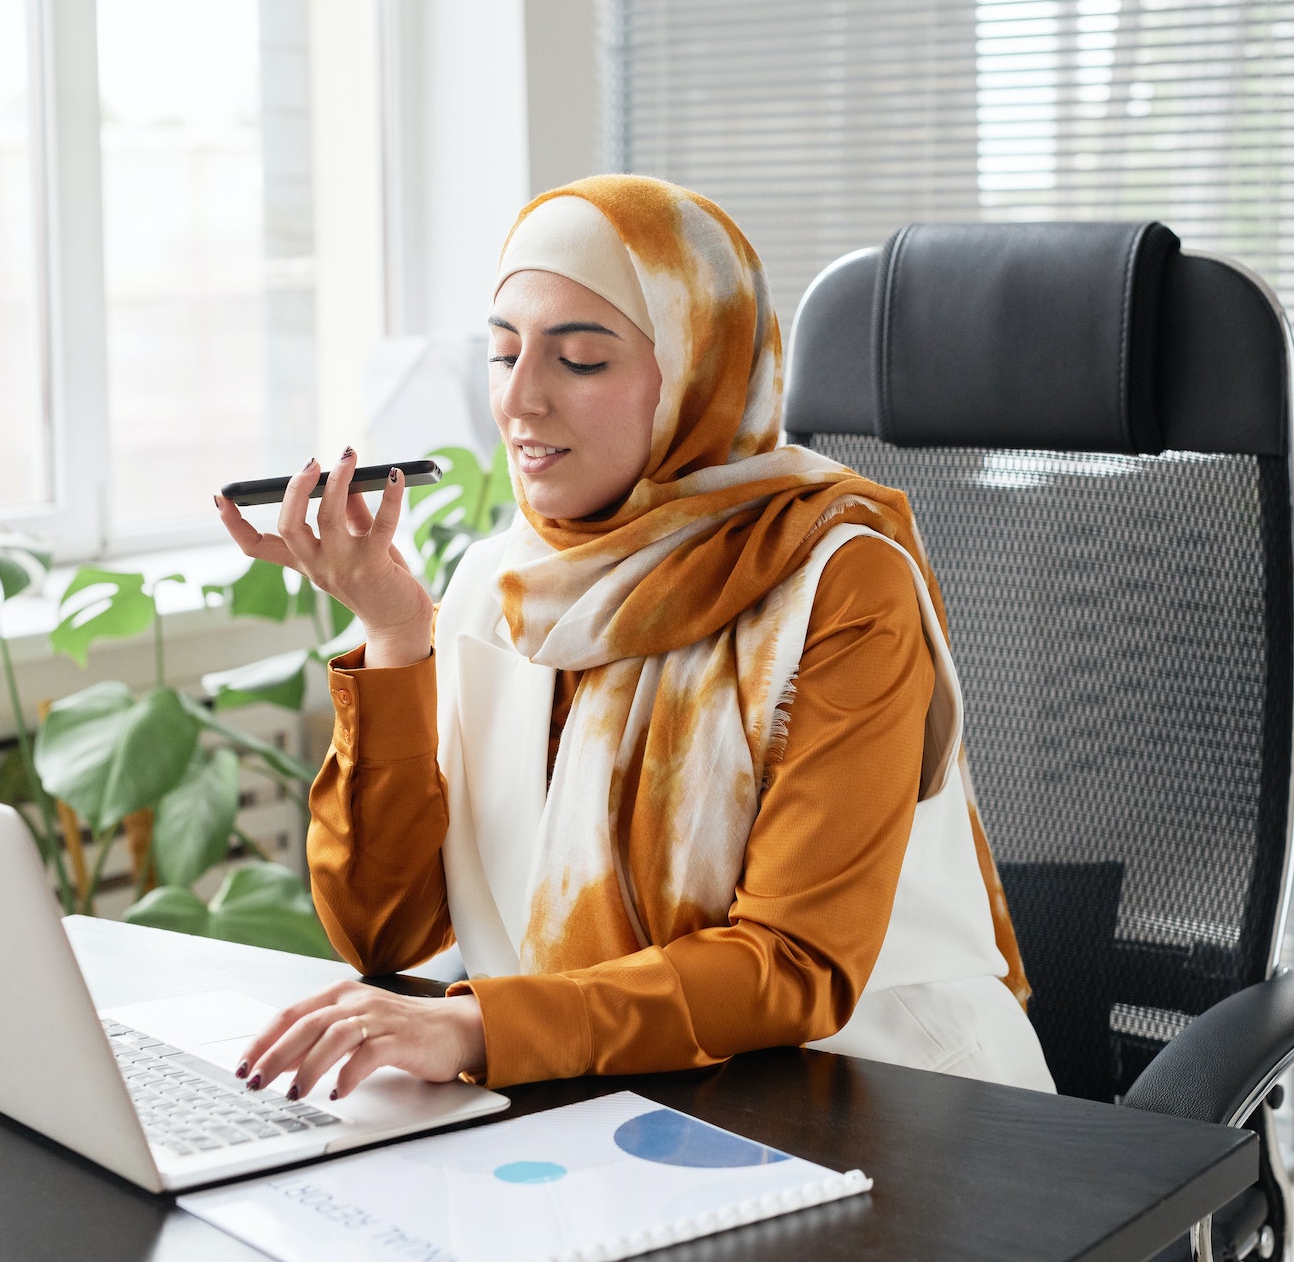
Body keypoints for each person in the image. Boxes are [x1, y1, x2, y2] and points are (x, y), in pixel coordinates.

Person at [214, 174, 1053, 1102]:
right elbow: (384, 931)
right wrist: (394, 634)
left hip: (879, 1097)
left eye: (579, 361)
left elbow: (795, 963)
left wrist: (479, 1023)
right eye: (501, 354)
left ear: (699, 368)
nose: (521, 401)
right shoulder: (495, 587)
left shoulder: (837, 582)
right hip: (598, 1100)